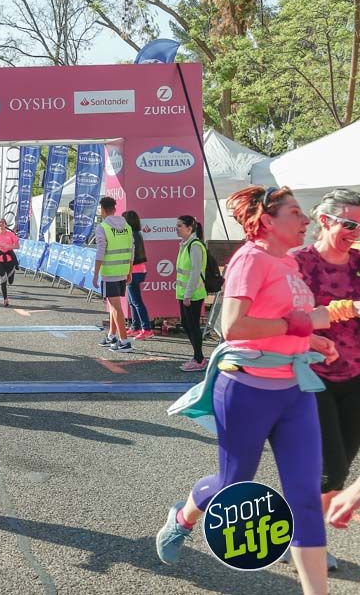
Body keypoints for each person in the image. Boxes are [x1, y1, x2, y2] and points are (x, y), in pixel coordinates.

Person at [155, 185, 350, 594]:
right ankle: (184, 516)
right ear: (267, 222)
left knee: (305, 497)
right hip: (247, 390)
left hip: (296, 389)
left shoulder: (289, 264)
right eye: (295, 213)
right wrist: (301, 325)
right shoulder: (250, 259)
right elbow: (234, 327)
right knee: (234, 487)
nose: (306, 220)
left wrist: (311, 339)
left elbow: (287, 318)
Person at [292, 188, 360, 568]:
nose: (355, 232)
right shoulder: (298, 262)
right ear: (324, 221)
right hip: (308, 377)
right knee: (329, 465)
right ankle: (306, 541)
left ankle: (304, 531)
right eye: (349, 224)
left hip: (356, 376)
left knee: (342, 466)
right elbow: (282, 313)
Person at [92, 197, 134, 353]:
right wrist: (129, 270)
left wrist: (96, 274)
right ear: (115, 209)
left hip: (109, 272)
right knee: (114, 305)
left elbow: (100, 252)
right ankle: (112, 336)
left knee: (115, 307)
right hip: (122, 270)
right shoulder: (127, 226)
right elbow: (131, 249)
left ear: (102, 209)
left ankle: (124, 341)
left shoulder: (103, 227)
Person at [176, 215, 208, 371]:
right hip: (184, 293)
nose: (177, 229)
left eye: (180, 226)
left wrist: (188, 294)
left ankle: (199, 358)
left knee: (193, 326)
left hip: (193, 294)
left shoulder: (194, 245)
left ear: (190, 228)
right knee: (186, 324)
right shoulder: (185, 244)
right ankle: (198, 356)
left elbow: (195, 272)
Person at [122, 211, 152, 340]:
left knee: (136, 302)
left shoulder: (131, 235)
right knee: (132, 301)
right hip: (137, 270)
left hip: (133, 271)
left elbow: (130, 256)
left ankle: (146, 329)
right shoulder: (136, 234)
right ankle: (136, 327)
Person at [0, 219, 19, 308]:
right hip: (0, 259)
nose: (0, 224)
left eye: (2, 222)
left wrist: (9, 246)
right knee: (3, 278)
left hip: (9, 258)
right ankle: (5, 299)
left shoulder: (10, 234)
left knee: (10, 281)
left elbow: (17, 246)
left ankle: (12, 272)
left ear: (5, 224)